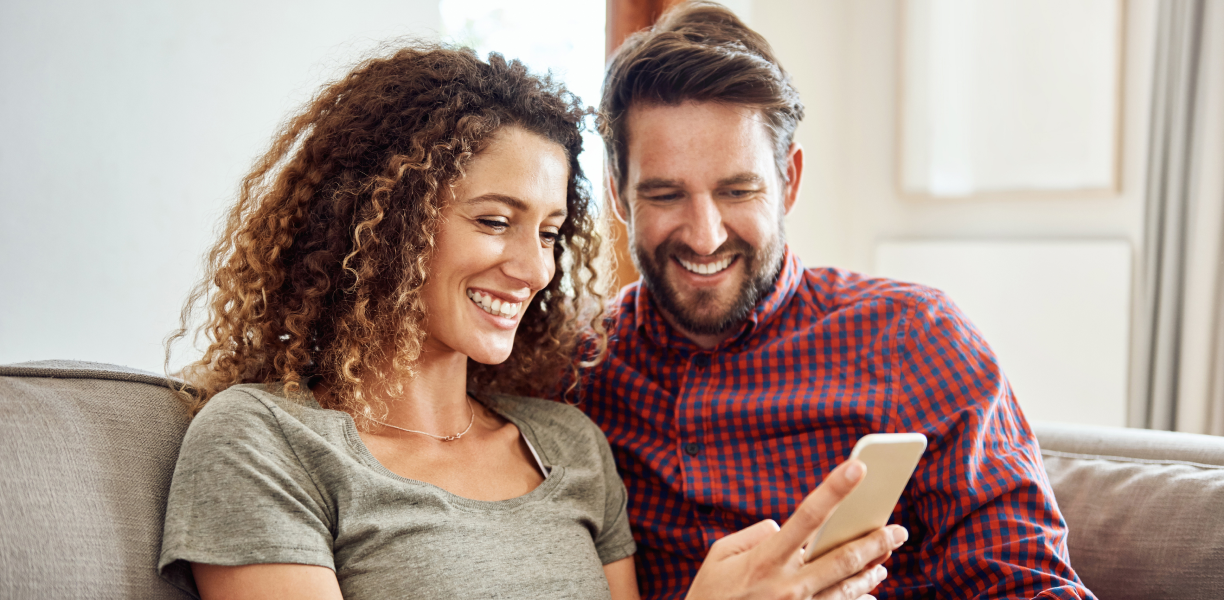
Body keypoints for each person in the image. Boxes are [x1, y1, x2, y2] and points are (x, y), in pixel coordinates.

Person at [158, 42, 901, 600]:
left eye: (547, 232)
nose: (534, 268)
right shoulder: (263, 440)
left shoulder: (568, 446)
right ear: (380, 223)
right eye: (494, 221)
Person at [578, 2, 1099, 599]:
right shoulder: (577, 371)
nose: (705, 234)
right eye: (666, 194)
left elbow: (1033, 587)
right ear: (620, 197)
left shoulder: (916, 339)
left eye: (738, 189)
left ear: (789, 182)